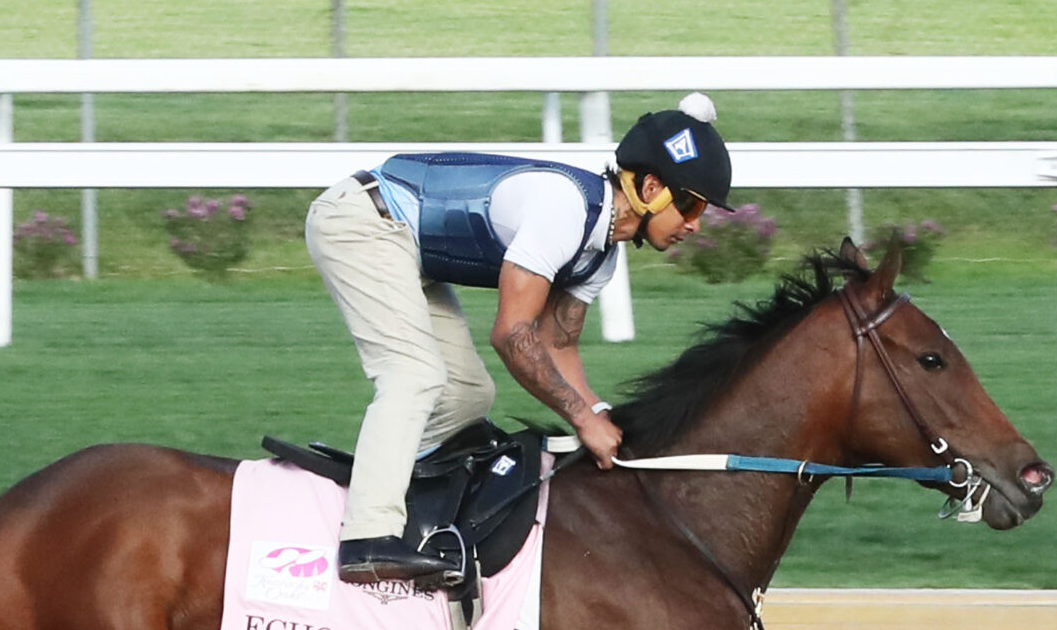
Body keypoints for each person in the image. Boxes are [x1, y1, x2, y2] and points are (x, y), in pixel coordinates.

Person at [302, 94, 735, 590]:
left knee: (468, 397)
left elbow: (556, 346)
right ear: (652, 187)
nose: (696, 223)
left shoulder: (601, 257)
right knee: (414, 375)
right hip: (361, 222)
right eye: (692, 204)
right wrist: (580, 419)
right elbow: (512, 335)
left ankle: (402, 497)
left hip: (411, 251)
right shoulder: (565, 211)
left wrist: (601, 415)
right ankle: (368, 538)